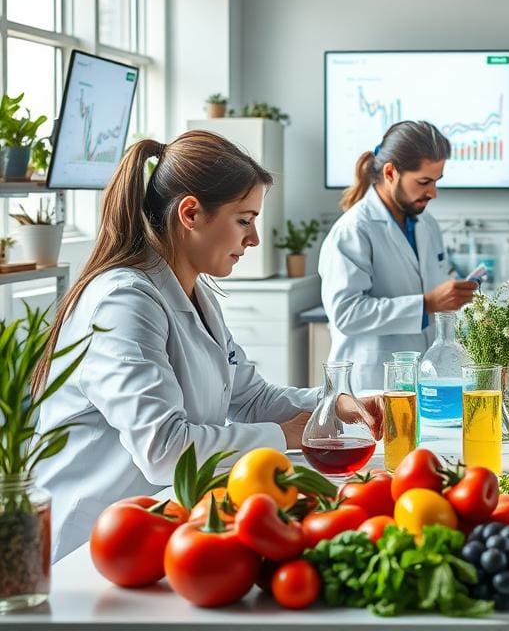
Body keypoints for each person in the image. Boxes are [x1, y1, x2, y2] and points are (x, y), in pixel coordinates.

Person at [34, 131, 380, 562]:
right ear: (191, 213)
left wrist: (335, 403)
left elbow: (251, 397)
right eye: (243, 219)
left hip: (157, 528)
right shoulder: (123, 301)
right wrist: (284, 434)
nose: (253, 238)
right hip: (89, 546)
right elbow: (164, 451)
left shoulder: (196, 293)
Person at [319, 121, 476, 391]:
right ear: (391, 172)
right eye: (424, 182)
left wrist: (455, 296)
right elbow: (346, 313)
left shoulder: (427, 225)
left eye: (436, 182)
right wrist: (426, 304)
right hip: (370, 384)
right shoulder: (353, 230)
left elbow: (435, 281)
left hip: (422, 380)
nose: (432, 193)